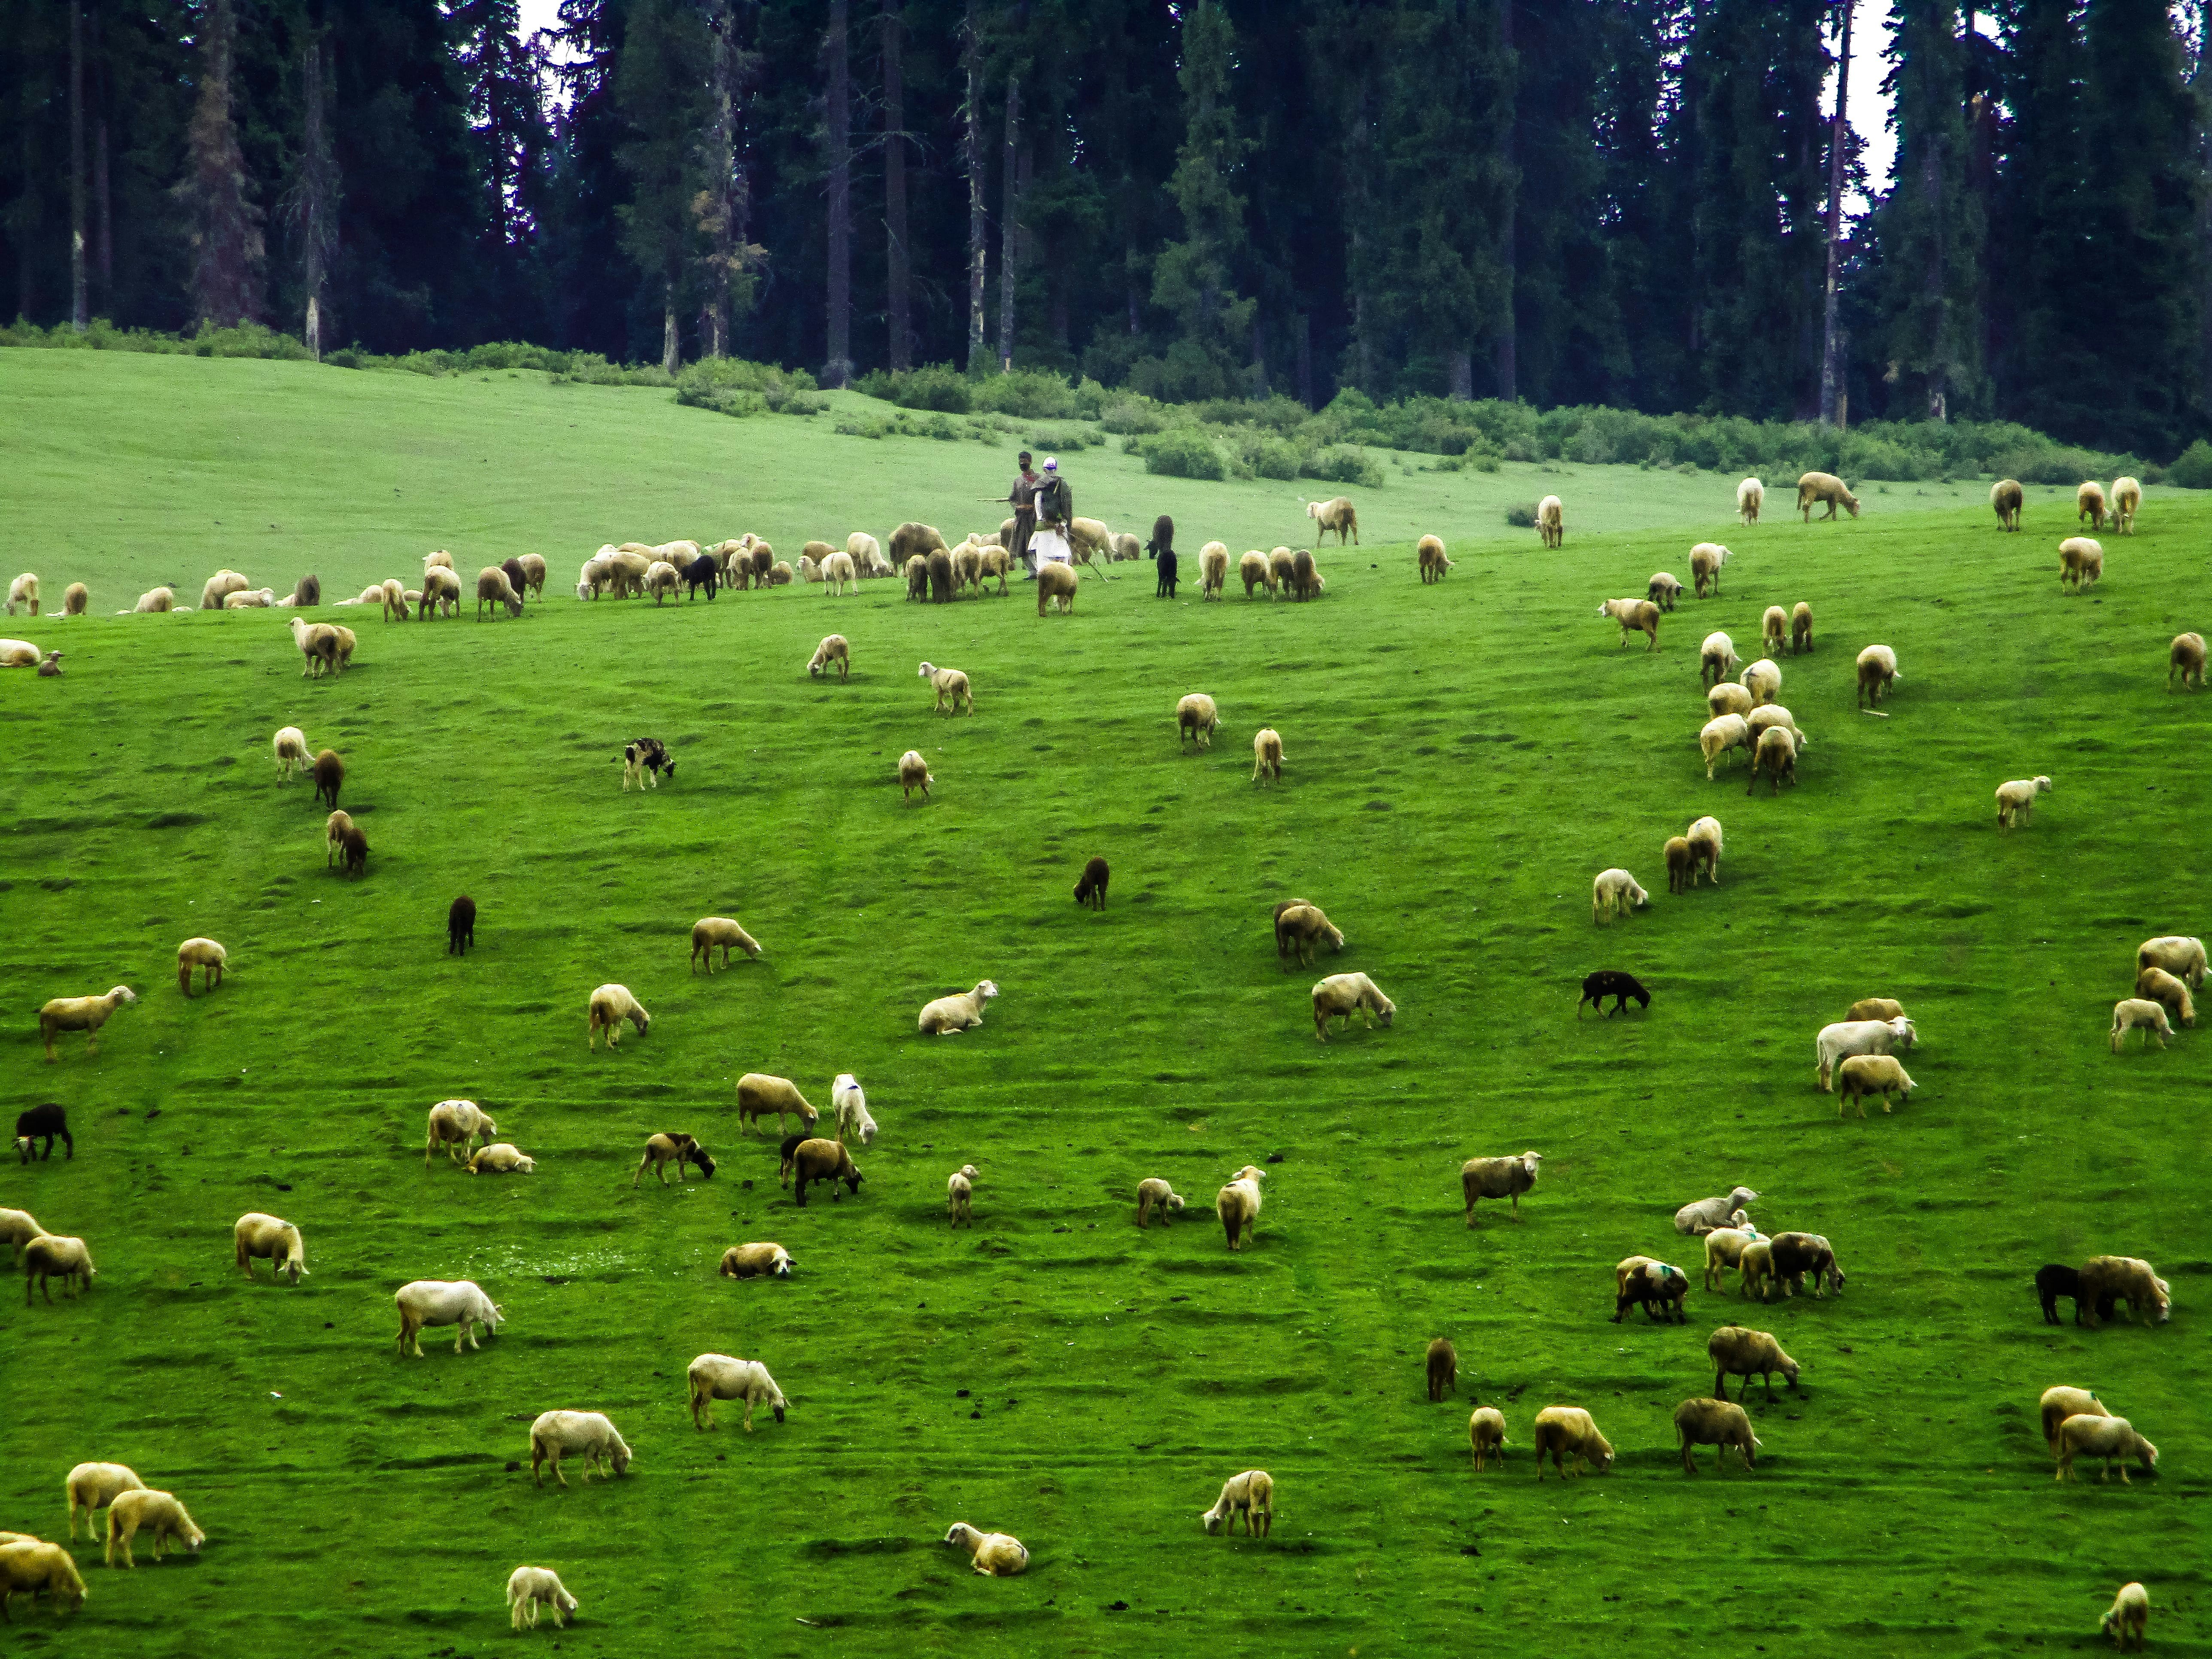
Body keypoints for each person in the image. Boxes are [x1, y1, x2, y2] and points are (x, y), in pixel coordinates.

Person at [1027, 456, 1073, 572]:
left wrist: (1042, 521)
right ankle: (1064, 577)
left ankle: (1044, 576)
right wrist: (1063, 525)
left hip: (1044, 529)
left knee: (1043, 558)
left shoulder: (1039, 486)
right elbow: (1067, 509)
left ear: (1044, 469)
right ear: (1056, 469)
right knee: (1063, 555)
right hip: (1060, 528)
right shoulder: (1064, 486)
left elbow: (1038, 506)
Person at [1005, 452, 1041, 574]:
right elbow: (1013, 499)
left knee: (1036, 544)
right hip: (1021, 519)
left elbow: (1043, 498)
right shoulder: (1018, 481)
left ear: (1030, 462)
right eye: (1021, 462)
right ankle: (1032, 572)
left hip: (1035, 518)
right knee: (1022, 546)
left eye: (1025, 462)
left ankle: (1040, 570)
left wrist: (1033, 507)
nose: (1023, 464)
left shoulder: (1038, 479)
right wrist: (1019, 506)